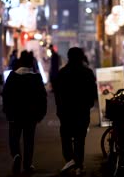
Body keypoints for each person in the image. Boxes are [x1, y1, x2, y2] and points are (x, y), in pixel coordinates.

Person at [2, 50, 47, 175]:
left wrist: (7, 111)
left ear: (20, 62)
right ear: (31, 63)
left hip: (15, 114)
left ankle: (16, 155)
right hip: (31, 115)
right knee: (29, 140)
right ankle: (27, 165)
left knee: (14, 138)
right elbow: (42, 97)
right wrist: (41, 113)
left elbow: (5, 95)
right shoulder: (36, 78)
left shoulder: (12, 76)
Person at [53, 47, 97, 175]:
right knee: (80, 138)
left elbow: (57, 94)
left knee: (66, 136)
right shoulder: (87, 72)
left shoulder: (62, 73)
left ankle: (70, 160)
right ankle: (79, 164)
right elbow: (92, 92)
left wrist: (59, 109)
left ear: (68, 57)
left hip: (66, 111)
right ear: (81, 57)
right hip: (82, 110)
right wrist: (89, 104)